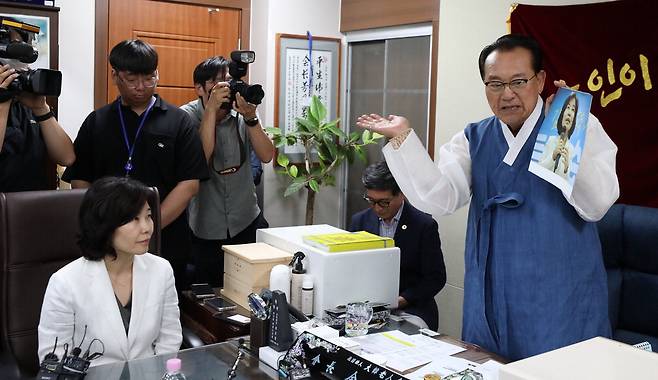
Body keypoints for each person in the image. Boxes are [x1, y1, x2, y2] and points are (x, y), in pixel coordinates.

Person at [357, 34, 619, 360]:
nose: (506, 94)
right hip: (490, 296)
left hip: (558, 299)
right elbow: (439, 198)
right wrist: (402, 139)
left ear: (540, 80)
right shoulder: (473, 137)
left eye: (518, 81)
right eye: (494, 84)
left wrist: (562, 134)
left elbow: (597, 204)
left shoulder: (575, 124)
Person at [62, 39, 208, 291]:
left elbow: (189, 184)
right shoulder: (97, 122)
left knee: (165, 310)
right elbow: (81, 180)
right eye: (131, 79)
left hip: (166, 240)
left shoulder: (178, 121)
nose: (141, 87)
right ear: (114, 76)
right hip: (107, 240)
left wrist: (149, 227)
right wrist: (105, 228)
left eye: (149, 78)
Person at [38, 177, 182, 367]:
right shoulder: (64, 282)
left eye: (148, 216)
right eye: (133, 219)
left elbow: (169, 339)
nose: (147, 228)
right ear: (104, 226)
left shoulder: (161, 270)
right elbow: (53, 357)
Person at [180, 56, 273, 287]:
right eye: (217, 84)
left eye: (228, 83)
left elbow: (267, 155)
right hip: (206, 226)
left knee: (250, 289)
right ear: (199, 88)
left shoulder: (241, 113)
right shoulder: (185, 117)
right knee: (209, 296)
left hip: (246, 218)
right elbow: (200, 160)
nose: (225, 90)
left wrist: (251, 117)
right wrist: (211, 111)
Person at [349, 161, 447, 331]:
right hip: (367, 308)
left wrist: (399, 300)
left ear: (401, 194)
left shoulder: (423, 225)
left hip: (410, 309)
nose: (377, 208)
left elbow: (435, 278)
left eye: (384, 202)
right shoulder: (360, 221)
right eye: (371, 201)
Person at [0, 56, 75, 191]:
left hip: (33, 203)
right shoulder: (5, 105)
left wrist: (42, 109)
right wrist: (3, 104)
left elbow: (66, 158)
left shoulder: (27, 105)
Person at [539, 93, 578, 178]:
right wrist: (553, 156)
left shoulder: (571, 149)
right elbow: (539, 167)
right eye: (568, 108)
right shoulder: (551, 140)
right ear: (562, 113)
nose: (569, 113)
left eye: (573, 110)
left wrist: (566, 168)